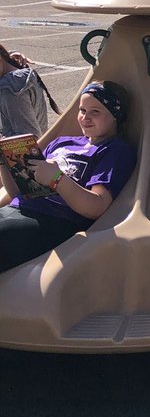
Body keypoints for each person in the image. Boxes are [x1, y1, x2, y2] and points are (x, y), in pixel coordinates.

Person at [0, 80, 136, 275]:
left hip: (53, 220)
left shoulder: (115, 150)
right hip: (19, 209)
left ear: (116, 115)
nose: (85, 118)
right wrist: (5, 163)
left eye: (95, 112)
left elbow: (97, 206)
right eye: (82, 110)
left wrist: (57, 178)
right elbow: (18, 192)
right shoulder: (62, 142)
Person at [0, 44, 58, 137]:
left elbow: (29, 139)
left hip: (26, 150)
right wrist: (8, 56)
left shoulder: (10, 89)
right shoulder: (19, 74)